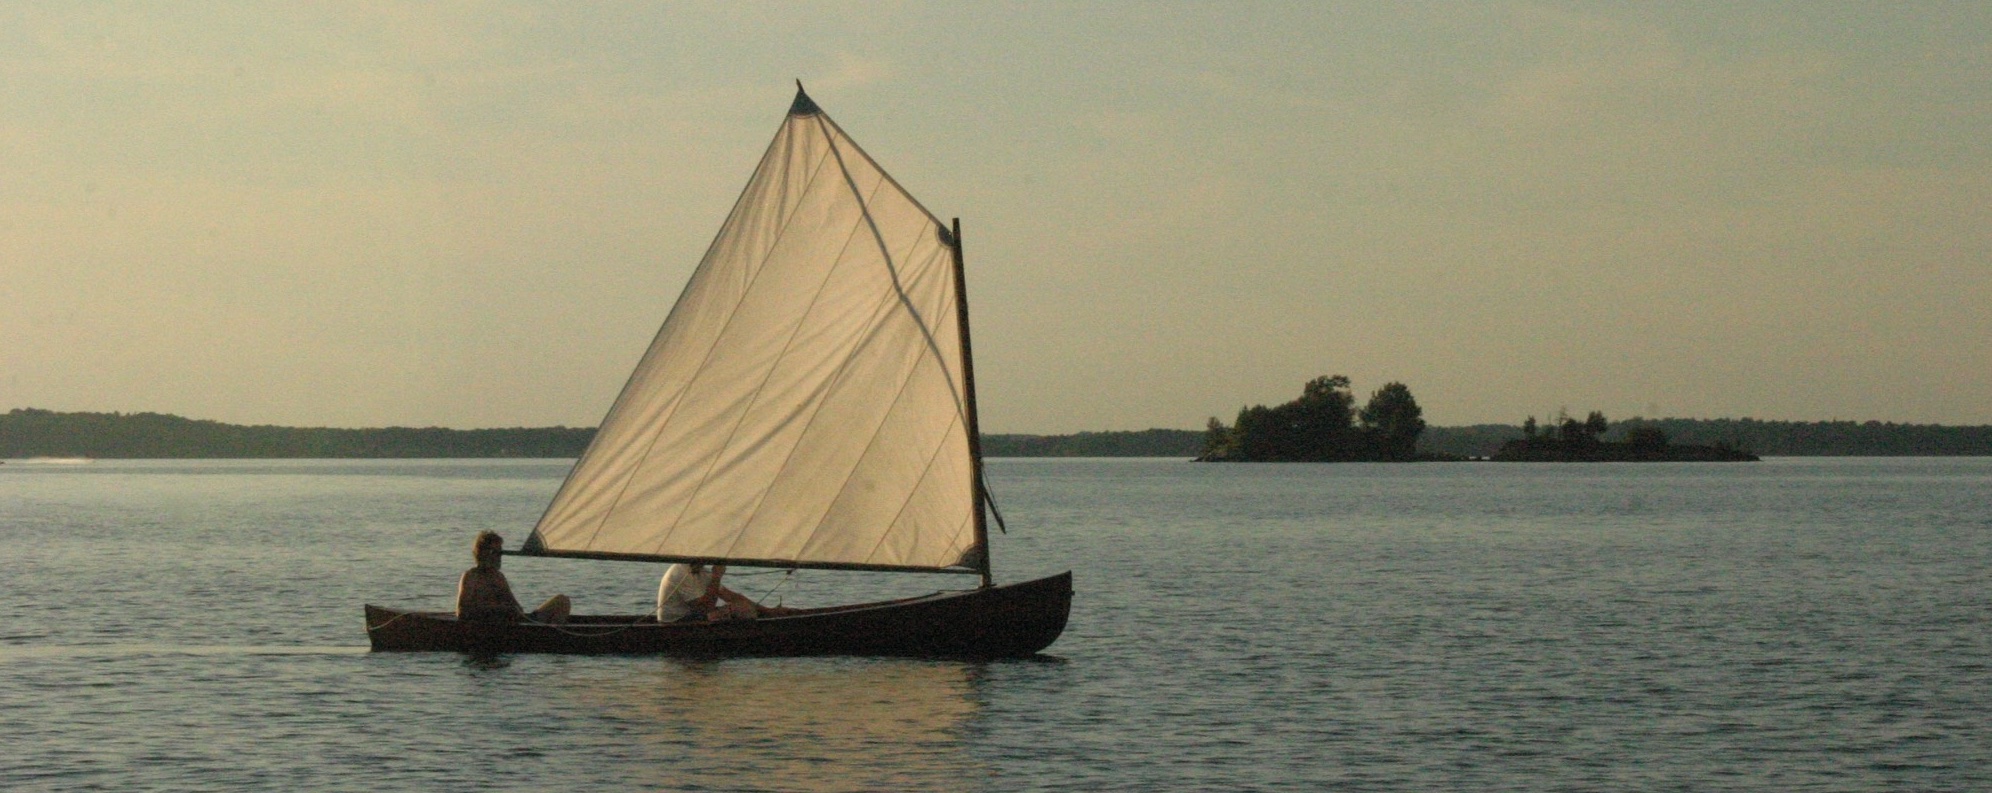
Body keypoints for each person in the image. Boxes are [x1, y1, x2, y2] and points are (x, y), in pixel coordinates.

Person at [456, 531, 571, 626]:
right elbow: (462, 612)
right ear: (483, 553)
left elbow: (516, 607)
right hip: (494, 626)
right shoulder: (471, 576)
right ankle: (551, 635)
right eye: (496, 552)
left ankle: (553, 633)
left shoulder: (498, 577)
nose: (500, 556)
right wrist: (499, 609)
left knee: (562, 601)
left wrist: (512, 610)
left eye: (500, 552)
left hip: (517, 622)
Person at [654, 562, 792, 622]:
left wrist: (768, 611)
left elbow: (731, 597)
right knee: (738, 611)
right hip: (677, 622)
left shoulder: (701, 571)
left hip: (694, 616)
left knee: (743, 608)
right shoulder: (680, 572)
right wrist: (716, 577)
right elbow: (705, 608)